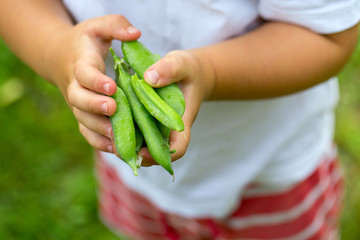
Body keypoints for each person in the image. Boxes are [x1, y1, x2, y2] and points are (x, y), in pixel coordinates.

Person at [0, 0, 359, 239]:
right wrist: (57, 51)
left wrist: (211, 72)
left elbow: (327, 36)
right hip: (136, 180)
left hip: (269, 174)